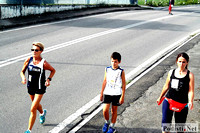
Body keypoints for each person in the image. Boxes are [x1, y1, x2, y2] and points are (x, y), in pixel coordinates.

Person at [20, 42, 56, 133]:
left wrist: (48, 79)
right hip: (30, 86)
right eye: (32, 50)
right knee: (35, 104)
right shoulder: (29, 60)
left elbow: (53, 70)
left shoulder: (44, 63)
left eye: (36, 50)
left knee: (32, 108)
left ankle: (29, 130)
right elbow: (22, 71)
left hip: (40, 88)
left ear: (41, 51)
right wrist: (23, 78)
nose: (34, 52)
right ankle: (42, 113)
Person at [157, 52, 194, 133]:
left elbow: (191, 90)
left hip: (182, 104)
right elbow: (166, 86)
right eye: (180, 61)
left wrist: (190, 101)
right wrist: (160, 97)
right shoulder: (171, 72)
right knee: (165, 127)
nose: (181, 64)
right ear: (176, 61)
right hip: (169, 101)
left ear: (187, 62)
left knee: (180, 129)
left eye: (183, 62)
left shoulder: (190, 75)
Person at [100, 52, 126, 133]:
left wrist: (122, 96)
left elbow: (124, 84)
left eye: (115, 62)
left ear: (119, 62)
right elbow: (104, 81)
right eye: (112, 61)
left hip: (117, 94)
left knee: (114, 111)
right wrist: (101, 93)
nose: (113, 63)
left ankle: (112, 127)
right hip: (107, 92)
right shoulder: (107, 69)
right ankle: (107, 122)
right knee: (105, 110)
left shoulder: (121, 71)